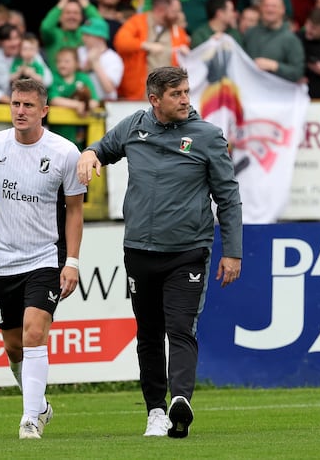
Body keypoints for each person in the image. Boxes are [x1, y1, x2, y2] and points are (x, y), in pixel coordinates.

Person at [76, 66, 242, 438]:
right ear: (155, 100)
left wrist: (233, 251)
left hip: (188, 251)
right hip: (139, 251)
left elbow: (228, 197)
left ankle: (180, 400)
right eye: (176, 94)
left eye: (186, 91)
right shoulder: (134, 126)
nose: (185, 99)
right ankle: (154, 410)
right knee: (148, 333)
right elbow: (102, 149)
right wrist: (88, 153)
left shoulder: (208, 136)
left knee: (180, 329)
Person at [0, 77, 86, 440]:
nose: (20, 111)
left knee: (35, 332)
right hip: (4, 261)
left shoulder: (65, 152)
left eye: (28, 106)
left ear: (44, 111)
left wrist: (72, 261)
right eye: (15, 104)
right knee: (13, 345)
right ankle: (38, 405)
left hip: (45, 258)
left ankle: (29, 421)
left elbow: (74, 211)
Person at [115, 0, 190, 100]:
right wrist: (144, 45)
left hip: (167, 98)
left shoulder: (178, 31)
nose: (179, 15)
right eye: (175, 11)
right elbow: (120, 42)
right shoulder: (137, 22)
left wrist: (186, 51)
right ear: (160, 10)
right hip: (137, 94)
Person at [241, 0, 305, 82]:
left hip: (276, 93)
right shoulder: (250, 33)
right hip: (250, 91)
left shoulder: (291, 39)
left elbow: (298, 73)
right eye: (266, 6)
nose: (270, 10)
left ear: (283, 10)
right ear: (260, 8)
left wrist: (275, 66)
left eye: (274, 6)